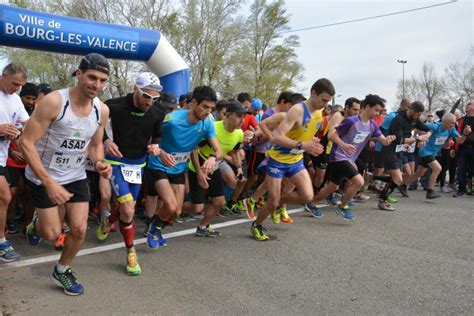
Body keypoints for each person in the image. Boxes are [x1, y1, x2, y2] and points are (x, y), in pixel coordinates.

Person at [20, 53, 112, 295]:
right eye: (92, 77)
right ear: (78, 74)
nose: (97, 85)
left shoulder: (101, 110)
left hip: (75, 174)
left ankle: (62, 269)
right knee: (51, 234)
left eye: (103, 80)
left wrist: (100, 162)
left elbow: (94, 145)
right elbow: (26, 142)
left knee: (80, 229)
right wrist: (48, 182)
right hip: (43, 176)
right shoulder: (54, 102)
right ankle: (37, 223)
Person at [96, 72, 164, 276]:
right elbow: (97, 128)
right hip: (116, 162)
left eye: (155, 99)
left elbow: (158, 134)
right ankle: (130, 252)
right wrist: (106, 140)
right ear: (135, 89)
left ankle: (109, 221)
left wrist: (155, 146)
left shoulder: (157, 111)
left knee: (128, 210)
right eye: (146, 96)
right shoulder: (113, 105)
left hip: (138, 165)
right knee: (127, 209)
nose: (150, 102)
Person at [250, 78, 333, 241]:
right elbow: (276, 138)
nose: (325, 105)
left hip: (295, 160)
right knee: (272, 203)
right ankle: (257, 225)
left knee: (307, 196)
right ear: (314, 93)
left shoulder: (318, 113)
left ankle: (275, 204)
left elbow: (305, 135)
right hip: (278, 160)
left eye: (328, 101)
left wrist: (314, 145)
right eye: (323, 100)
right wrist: (303, 145)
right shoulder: (297, 111)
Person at [146, 85, 222, 248]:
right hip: (159, 165)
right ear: (194, 103)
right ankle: (153, 228)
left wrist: (212, 158)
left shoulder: (207, 124)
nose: (208, 112)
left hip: (179, 169)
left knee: (177, 212)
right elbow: (149, 138)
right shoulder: (172, 120)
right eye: (205, 107)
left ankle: (157, 225)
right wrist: (160, 152)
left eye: (211, 108)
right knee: (171, 206)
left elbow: (219, 150)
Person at [304, 94, 395, 220]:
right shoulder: (351, 121)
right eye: (377, 110)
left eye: (380, 111)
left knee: (333, 186)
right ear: (367, 107)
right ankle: (342, 206)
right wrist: (343, 145)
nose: (379, 113)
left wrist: (388, 139)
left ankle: (312, 204)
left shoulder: (372, 125)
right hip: (338, 156)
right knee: (359, 181)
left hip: (349, 158)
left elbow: (383, 141)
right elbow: (331, 136)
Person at [185, 101, 245, 236]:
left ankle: (203, 227)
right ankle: (173, 210)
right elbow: (194, 148)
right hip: (198, 166)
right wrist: (199, 171)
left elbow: (234, 152)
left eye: (244, 116)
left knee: (219, 202)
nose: (242, 120)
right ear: (228, 115)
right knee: (197, 207)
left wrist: (239, 168)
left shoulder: (239, 134)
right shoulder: (212, 128)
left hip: (215, 166)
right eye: (239, 116)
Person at [375, 101, 432, 211]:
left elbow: (428, 129)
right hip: (390, 149)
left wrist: (427, 135)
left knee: (399, 177)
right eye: (418, 114)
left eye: (420, 115)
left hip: (399, 152)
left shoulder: (415, 120)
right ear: (411, 110)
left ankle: (371, 178)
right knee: (398, 178)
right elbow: (400, 140)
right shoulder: (398, 120)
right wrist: (418, 138)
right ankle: (382, 200)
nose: (419, 117)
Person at [401, 112, 470, 199]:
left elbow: (460, 141)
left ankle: (402, 185)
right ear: (445, 121)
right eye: (452, 122)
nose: (454, 124)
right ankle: (430, 191)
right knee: (438, 168)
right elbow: (418, 127)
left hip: (433, 153)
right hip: (425, 151)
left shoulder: (451, 130)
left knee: (418, 173)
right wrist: (417, 138)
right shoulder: (435, 126)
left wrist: (465, 134)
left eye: (454, 122)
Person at [0, 63, 29, 263]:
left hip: (2, 157)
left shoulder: (16, 99)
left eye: (20, 85)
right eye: (14, 83)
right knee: (4, 196)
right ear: (4, 75)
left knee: (4, 197)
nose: (17, 88)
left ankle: (1, 241)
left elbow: (27, 124)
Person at [453, 101, 474, 197]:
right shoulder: (461, 120)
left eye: (470, 104)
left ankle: (470, 188)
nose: (467, 105)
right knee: (461, 169)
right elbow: (455, 135)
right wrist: (453, 148)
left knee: (472, 170)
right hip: (463, 148)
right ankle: (461, 190)